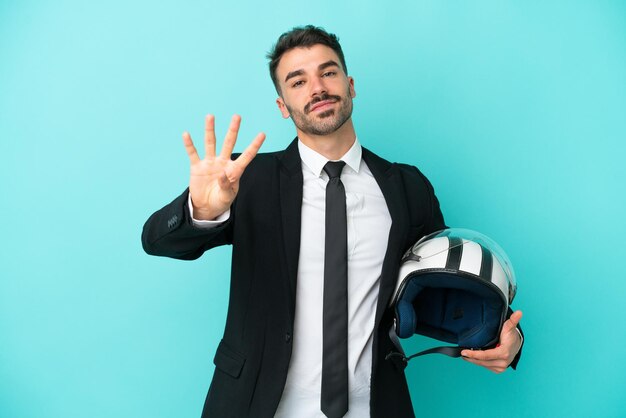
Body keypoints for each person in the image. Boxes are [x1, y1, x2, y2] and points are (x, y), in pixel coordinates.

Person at [142, 25, 523, 418]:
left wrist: (505, 339)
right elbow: (157, 241)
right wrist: (202, 210)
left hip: (374, 407)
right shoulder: (248, 179)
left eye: (328, 72)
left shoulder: (408, 188)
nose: (317, 88)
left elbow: (447, 289)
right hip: (255, 404)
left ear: (350, 84)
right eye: (298, 81)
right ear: (282, 105)